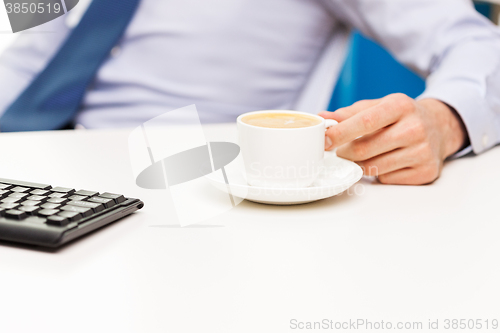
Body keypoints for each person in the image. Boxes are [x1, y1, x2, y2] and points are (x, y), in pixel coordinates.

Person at [0, 0, 499, 185]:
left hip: (185, 194)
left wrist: (445, 118)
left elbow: (477, 43)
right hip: (32, 166)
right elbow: (30, 41)